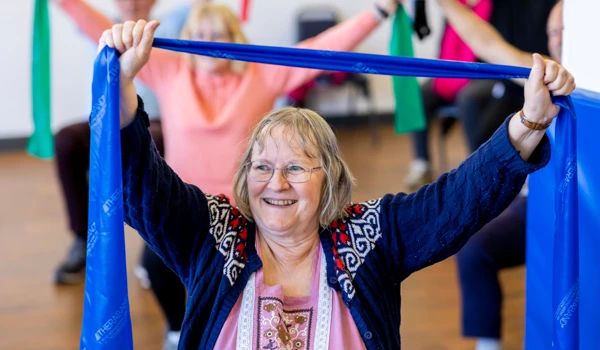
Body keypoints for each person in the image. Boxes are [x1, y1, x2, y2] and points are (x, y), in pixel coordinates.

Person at [94, 17, 574, 349]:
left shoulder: (368, 237)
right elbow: (144, 191)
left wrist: (529, 122)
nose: (275, 182)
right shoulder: (214, 235)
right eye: (261, 167)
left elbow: (457, 200)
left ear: (331, 181)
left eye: (296, 167)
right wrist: (123, 91)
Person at [57, 0, 402, 348]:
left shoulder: (262, 73)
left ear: (234, 38)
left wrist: (378, 12)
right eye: (201, 34)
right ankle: (178, 330)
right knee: (155, 260)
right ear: (189, 39)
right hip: (189, 211)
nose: (210, 41)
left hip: (244, 211)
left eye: (219, 34)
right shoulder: (171, 70)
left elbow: (320, 51)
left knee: (230, 278)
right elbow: (101, 30)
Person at [434, 1, 566, 349]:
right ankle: (487, 344)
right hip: (536, 203)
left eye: (562, 32)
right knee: (474, 247)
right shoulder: (548, 73)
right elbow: (489, 44)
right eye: (551, 32)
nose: (555, 39)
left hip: (580, 213)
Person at [405, 0, 557, 190]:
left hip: (488, 72)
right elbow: (482, 44)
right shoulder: (458, 8)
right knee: (421, 94)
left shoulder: (497, 7)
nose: (556, 38)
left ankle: (476, 166)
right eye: (554, 33)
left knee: (469, 98)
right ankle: (422, 162)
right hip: (468, 69)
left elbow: (490, 46)